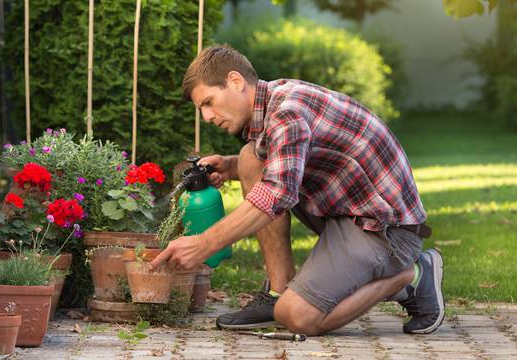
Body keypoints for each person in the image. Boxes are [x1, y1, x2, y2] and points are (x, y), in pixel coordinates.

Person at [149, 45, 444, 336]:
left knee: (297, 317)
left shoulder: (288, 113)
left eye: (209, 102)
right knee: (252, 159)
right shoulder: (276, 99)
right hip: (351, 213)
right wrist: (232, 166)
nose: (207, 117)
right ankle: (278, 291)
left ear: (235, 81)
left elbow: (277, 195)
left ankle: (412, 275)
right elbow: (286, 162)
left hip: (386, 231)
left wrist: (204, 243)